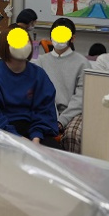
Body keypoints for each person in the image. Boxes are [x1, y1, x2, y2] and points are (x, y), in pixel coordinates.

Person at [0, 25, 59, 147]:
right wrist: (18, 138)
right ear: (5, 46)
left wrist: (36, 137)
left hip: (34, 129)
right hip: (4, 132)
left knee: (53, 150)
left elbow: (45, 110)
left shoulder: (38, 74)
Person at [37, 18, 90, 153]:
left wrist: (61, 121)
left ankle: (70, 166)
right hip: (47, 111)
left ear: (72, 38)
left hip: (73, 113)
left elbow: (81, 98)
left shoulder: (82, 63)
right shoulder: (41, 61)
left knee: (72, 135)